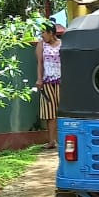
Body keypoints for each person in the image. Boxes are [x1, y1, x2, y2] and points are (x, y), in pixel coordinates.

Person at [36, 21, 62, 149]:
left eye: (43, 32)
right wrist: (39, 79)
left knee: (63, 111)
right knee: (49, 113)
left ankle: (63, 139)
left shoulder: (62, 44)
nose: (42, 35)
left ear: (51, 33)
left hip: (62, 82)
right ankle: (52, 141)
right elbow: (40, 64)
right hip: (47, 82)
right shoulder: (41, 45)